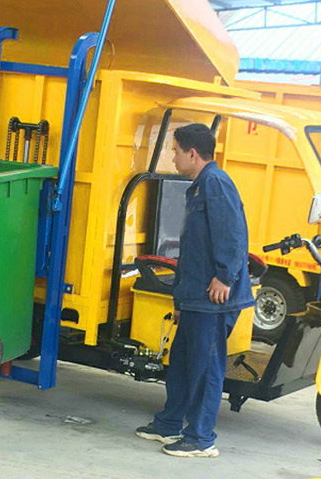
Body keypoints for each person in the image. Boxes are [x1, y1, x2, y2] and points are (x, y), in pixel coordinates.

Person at [135, 123, 255, 458]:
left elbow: (233, 234)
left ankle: (201, 438)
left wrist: (226, 278)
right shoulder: (200, 186)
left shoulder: (215, 184)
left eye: (174, 150)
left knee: (205, 368)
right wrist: (181, 298)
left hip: (214, 297)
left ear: (192, 153)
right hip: (195, 296)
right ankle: (170, 423)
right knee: (183, 363)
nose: (172, 158)